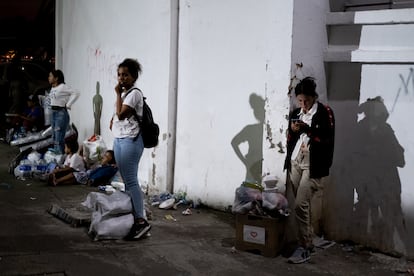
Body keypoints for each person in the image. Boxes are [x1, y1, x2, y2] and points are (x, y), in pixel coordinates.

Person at [284, 77, 335, 264]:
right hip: (296, 161)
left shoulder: (324, 112)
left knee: (299, 205)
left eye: (306, 100)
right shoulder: (297, 112)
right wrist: (293, 129)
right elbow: (291, 138)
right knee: (302, 206)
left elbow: (328, 139)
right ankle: (307, 239)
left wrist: (309, 131)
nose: (303, 104)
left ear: (314, 97)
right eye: (300, 101)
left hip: (314, 164)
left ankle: (305, 246)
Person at [110, 58, 151, 240]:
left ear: (133, 76)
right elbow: (117, 117)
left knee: (132, 181)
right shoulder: (126, 94)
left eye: (125, 75)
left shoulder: (134, 94)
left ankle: (141, 221)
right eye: (119, 75)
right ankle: (133, 217)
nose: (121, 78)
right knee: (126, 180)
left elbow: (120, 114)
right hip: (120, 140)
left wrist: (118, 94)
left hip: (131, 141)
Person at [48, 69, 80, 154]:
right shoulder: (53, 88)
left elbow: (76, 93)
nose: (49, 78)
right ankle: (56, 155)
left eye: (50, 76)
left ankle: (60, 157)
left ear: (56, 78)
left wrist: (68, 104)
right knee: (54, 136)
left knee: (59, 137)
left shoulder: (62, 87)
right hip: (53, 113)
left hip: (60, 113)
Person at [51, 149, 117, 186]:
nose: (103, 157)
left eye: (106, 156)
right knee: (73, 181)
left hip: (89, 176)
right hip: (88, 174)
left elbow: (100, 174)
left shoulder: (109, 168)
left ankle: (57, 181)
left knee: (73, 174)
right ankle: (57, 183)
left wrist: (92, 179)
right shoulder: (102, 165)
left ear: (110, 159)